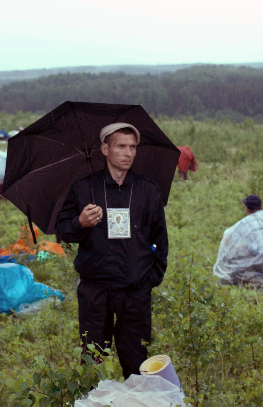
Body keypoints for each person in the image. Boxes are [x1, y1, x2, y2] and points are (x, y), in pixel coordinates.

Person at [56, 122, 168, 379]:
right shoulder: (84, 188)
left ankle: (138, 397)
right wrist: (80, 222)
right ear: (105, 149)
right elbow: (63, 231)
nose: (128, 153)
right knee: (92, 359)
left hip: (134, 290)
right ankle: (92, 397)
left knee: (137, 361)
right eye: (121, 146)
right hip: (95, 290)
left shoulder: (147, 190)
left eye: (132, 147)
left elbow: (160, 239)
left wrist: (150, 280)